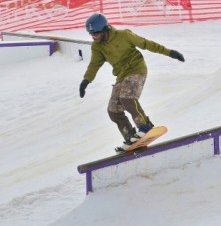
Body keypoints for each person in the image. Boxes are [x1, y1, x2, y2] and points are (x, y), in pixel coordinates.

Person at [78, 12, 185, 153]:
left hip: (137, 69)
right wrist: (86, 80)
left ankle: (145, 125)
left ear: (105, 29)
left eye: (96, 33)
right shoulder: (97, 46)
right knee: (113, 110)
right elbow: (94, 65)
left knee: (127, 98)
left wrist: (170, 52)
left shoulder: (124, 35)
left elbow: (147, 44)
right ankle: (130, 137)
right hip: (121, 76)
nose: (94, 37)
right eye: (91, 34)